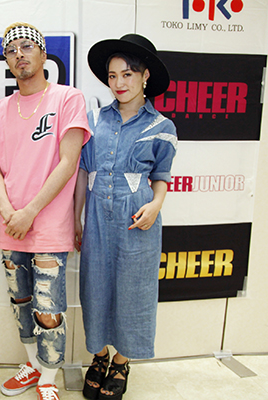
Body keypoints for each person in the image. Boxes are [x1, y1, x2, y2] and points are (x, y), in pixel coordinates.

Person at [0, 22, 90, 400]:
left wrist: (30, 211)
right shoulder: (0, 109)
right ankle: (32, 364)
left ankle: (49, 376)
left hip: (48, 226)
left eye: (27, 47)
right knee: (21, 303)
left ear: (44, 54)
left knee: (49, 308)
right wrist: (9, 210)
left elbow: (69, 161)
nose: (19, 55)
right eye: (11, 50)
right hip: (11, 225)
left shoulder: (68, 98)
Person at [74, 34, 177, 400]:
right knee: (95, 287)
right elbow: (82, 173)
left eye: (127, 74)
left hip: (138, 219)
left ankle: (121, 361)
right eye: (112, 75)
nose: (118, 83)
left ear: (145, 76)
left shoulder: (162, 126)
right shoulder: (93, 120)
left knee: (134, 291)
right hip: (97, 218)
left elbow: (161, 177)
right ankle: (99, 356)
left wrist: (156, 204)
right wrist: (76, 219)